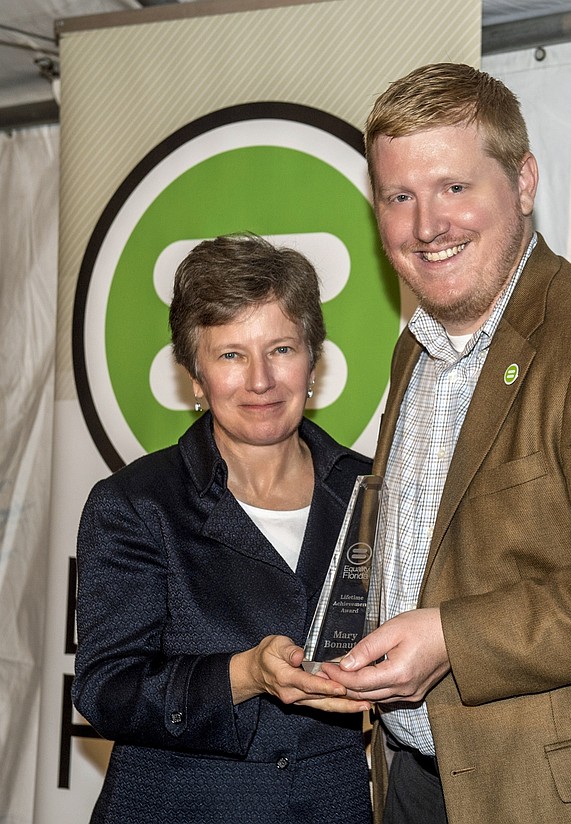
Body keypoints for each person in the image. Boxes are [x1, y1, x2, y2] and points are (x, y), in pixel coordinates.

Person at [324, 63, 571, 824]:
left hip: (566, 797)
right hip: (418, 777)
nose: (425, 226)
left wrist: (450, 635)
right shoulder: (414, 349)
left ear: (524, 180)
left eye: (454, 188)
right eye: (398, 196)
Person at [72, 233, 372, 824]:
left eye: (281, 349)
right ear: (196, 378)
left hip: (334, 807)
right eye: (231, 355)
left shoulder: (372, 489)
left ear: (314, 358)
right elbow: (106, 689)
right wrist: (246, 674)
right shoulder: (136, 504)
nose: (261, 380)